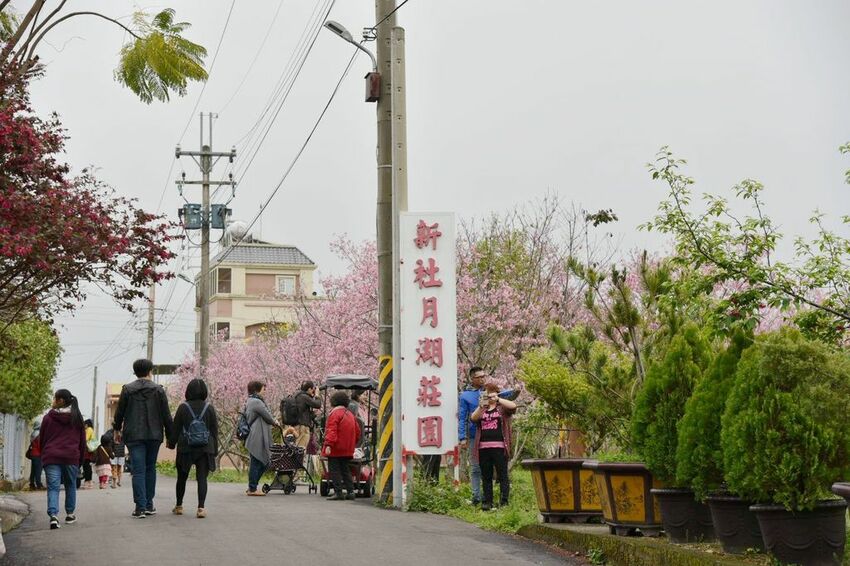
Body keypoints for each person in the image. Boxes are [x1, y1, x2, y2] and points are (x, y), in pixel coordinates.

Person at [112, 358, 173, 518]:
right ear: (150, 371)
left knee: (138, 470)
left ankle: (140, 507)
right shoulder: (158, 390)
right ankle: (149, 505)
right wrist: (170, 435)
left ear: (135, 372)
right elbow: (166, 415)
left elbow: (120, 412)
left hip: (133, 435)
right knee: (150, 467)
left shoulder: (127, 389)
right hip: (154, 435)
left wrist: (117, 429)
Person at [457, 367, 518, 505]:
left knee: (500, 473)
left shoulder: (498, 399)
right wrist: (462, 437)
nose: (482, 379)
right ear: (472, 379)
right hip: (477, 438)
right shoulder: (466, 396)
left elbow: (512, 404)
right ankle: (477, 497)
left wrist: (500, 397)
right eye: (478, 377)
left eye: (484, 376)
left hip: (498, 443)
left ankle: (499, 500)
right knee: (477, 469)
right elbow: (465, 418)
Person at [167, 378, 218, 518]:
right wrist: (215, 450)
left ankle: (179, 506)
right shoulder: (209, 408)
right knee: (202, 478)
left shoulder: (183, 407)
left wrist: (171, 444)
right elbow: (214, 432)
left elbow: (176, 429)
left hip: (186, 447)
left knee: (182, 478)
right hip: (205, 448)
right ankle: (201, 508)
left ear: (188, 391)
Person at [39, 389, 86, 530]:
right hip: (71, 457)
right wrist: (80, 460)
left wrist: (44, 455)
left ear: (60, 401)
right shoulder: (77, 418)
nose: (52, 401)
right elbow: (82, 442)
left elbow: (42, 439)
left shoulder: (48, 418)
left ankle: (53, 516)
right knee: (70, 485)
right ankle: (70, 514)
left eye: (54, 399)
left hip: (51, 457)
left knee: (53, 487)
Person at [470, 383, 517, 511]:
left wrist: (498, 399)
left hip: (500, 447)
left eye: (489, 392)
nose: (487, 395)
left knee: (502, 475)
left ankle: (504, 501)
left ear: (496, 393)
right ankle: (487, 502)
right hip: (483, 448)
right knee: (486, 476)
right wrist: (481, 406)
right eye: (485, 393)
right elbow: (473, 418)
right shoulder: (482, 408)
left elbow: (513, 406)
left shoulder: (502, 408)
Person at [322, 391, 360, 501]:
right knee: (345, 469)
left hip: (336, 448)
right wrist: (352, 443)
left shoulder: (334, 413)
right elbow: (357, 432)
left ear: (334, 401)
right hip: (348, 448)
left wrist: (329, 444)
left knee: (334, 469)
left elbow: (331, 430)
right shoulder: (350, 414)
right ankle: (350, 491)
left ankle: (338, 492)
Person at [245, 381, 281, 496]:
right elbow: (268, 417)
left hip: (256, 435)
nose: (265, 391)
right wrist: (275, 422)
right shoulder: (256, 402)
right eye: (264, 389)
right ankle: (252, 488)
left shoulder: (251, 400)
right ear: (257, 390)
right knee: (258, 461)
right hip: (257, 436)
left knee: (260, 461)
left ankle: (252, 486)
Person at [287, 381, 321, 450]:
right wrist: (317, 395)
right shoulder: (304, 397)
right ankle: (299, 461)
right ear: (309, 389)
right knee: (301, 449)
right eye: (312, 389)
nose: (313, 391)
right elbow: (317, 405)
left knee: (296, 447)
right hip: (303, 427)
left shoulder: (296, 395)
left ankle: (297, 460)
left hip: (296, 425)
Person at [27, 420, 44, 490]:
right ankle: (38, 484)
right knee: (38, 470)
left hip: (33, 454)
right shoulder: (38, 435)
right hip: (38, 455)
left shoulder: (33, 434)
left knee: (33, 470)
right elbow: (40, 446)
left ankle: (32, 484)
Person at [82, 419, 95, 489]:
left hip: (87, 450)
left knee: (86, 466)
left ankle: (88, 481)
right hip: (89, 450)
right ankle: (89, 481)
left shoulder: (89, 429)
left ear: (87, 424)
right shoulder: (91, 429)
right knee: (87, 466)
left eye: (84, 424)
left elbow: (85, 439)